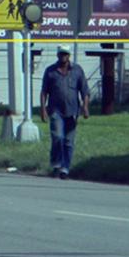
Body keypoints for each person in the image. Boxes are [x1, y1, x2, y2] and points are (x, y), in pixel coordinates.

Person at [39, 45, 89, 179]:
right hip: (56, 110)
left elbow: (84, 90)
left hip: (72, 111)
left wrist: (85, 107)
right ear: (57, 55)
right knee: (58, 137)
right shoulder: (50, 71)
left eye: (66, 54)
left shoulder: (77, 70)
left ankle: (65, 168)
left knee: (68, 141)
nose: (63, 57)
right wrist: (43, 109)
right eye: (61, 54)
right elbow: (44, 91)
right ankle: (56, 164)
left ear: (69, 56)